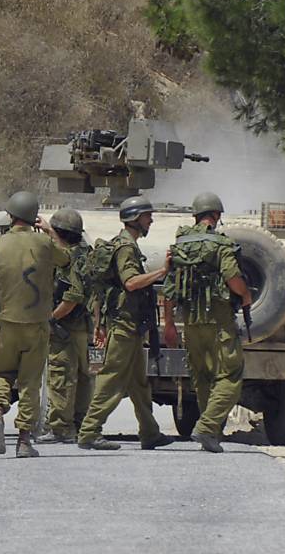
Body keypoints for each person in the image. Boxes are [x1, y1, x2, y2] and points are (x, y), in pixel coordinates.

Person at [75, 196, 175, 451]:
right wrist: (161, 272)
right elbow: (130, 282)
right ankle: (89, 432)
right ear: (134, 219)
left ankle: (150, 432)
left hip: (130, 326)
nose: (151, 220)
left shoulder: (127, 245)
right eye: (146, 216)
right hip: (124, 326)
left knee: (139, 383)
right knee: (111, 378)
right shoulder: (126, 248)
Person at [0, 191, 70, 458]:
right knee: (30, 382)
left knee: (0, 374)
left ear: (10, 215)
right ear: (33, 217)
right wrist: (50, 232)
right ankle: (23, 440)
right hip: (37, 325)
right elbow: (66, 259)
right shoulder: (44, 244)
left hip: (6, 323)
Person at [163, 192, 252, 453]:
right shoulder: (221, 244)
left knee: (202, 376)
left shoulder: (181, 243)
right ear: (216, 216)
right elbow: (232, 276)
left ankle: (209, 432)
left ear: (196, 216)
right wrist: (245, 295)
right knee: (230, 376)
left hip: (191, 321)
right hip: (218, 320)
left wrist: (169, 324)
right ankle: (208, 427)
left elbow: (170, 287)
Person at [36, 208, 93, 444]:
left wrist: (51, 318)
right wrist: (50, 229)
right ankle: (79, 424)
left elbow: (72, 297)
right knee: (82, 376)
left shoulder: (67, 262)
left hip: (65, 326)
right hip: (81, 327)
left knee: (60, 376)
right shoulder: (85, 253)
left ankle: (60, 427)